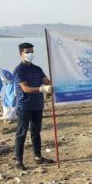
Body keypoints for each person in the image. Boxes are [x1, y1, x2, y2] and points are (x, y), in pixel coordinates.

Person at [13, 42, 54, 170]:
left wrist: (51, 84)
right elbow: (25, 89)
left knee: (36, 132)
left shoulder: (37, 69)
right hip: (24, 105)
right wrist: (42, 89)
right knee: (22, 133)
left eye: (32, 52)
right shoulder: (19, 70)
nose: (30, 54)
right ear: (21, 54)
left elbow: (47, 81)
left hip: (38, 104)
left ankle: (38, 157)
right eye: (27, 52)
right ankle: (19, 161)